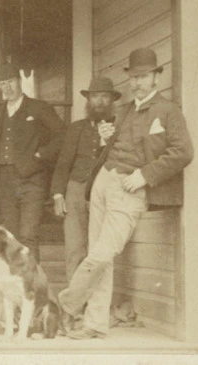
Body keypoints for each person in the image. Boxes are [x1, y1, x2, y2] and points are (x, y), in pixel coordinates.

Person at [59, 48, 193, 340]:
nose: (137, 83)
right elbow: (113, 150)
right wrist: (107, 141)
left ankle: (67, 303)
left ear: (157, 76)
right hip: (103, 182)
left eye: (143, 77)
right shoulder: (125, 111)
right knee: (100, 255)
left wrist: (145, 175)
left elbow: (183, 152)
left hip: (130, 187)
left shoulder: (168, 111)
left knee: (102, 252)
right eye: (133, 78)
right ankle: (94, 324)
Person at [0, 62, 65, 263]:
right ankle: (19, 291)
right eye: (2, 84)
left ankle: (33, 292)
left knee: (28, 235)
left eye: (11, 82)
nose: (7, 88)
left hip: (32, 181)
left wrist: (41, 155)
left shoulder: (38, 107)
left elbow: (62, 136)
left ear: (20, 81)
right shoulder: (2, 111)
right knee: (12, 238)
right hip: (6, 181)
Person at [50, 76, 119, 283]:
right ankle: (74, 306)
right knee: (74, 247)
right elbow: (63, 162)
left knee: (101, 247)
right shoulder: (76, 128)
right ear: (88, 101)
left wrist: (106, 141)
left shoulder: (119, 129)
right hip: (76, 191)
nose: (99, 101)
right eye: (95, 96)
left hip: (106, 191)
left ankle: (99, 304)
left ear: (111, 101)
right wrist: (58, 194)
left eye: (105, 97)